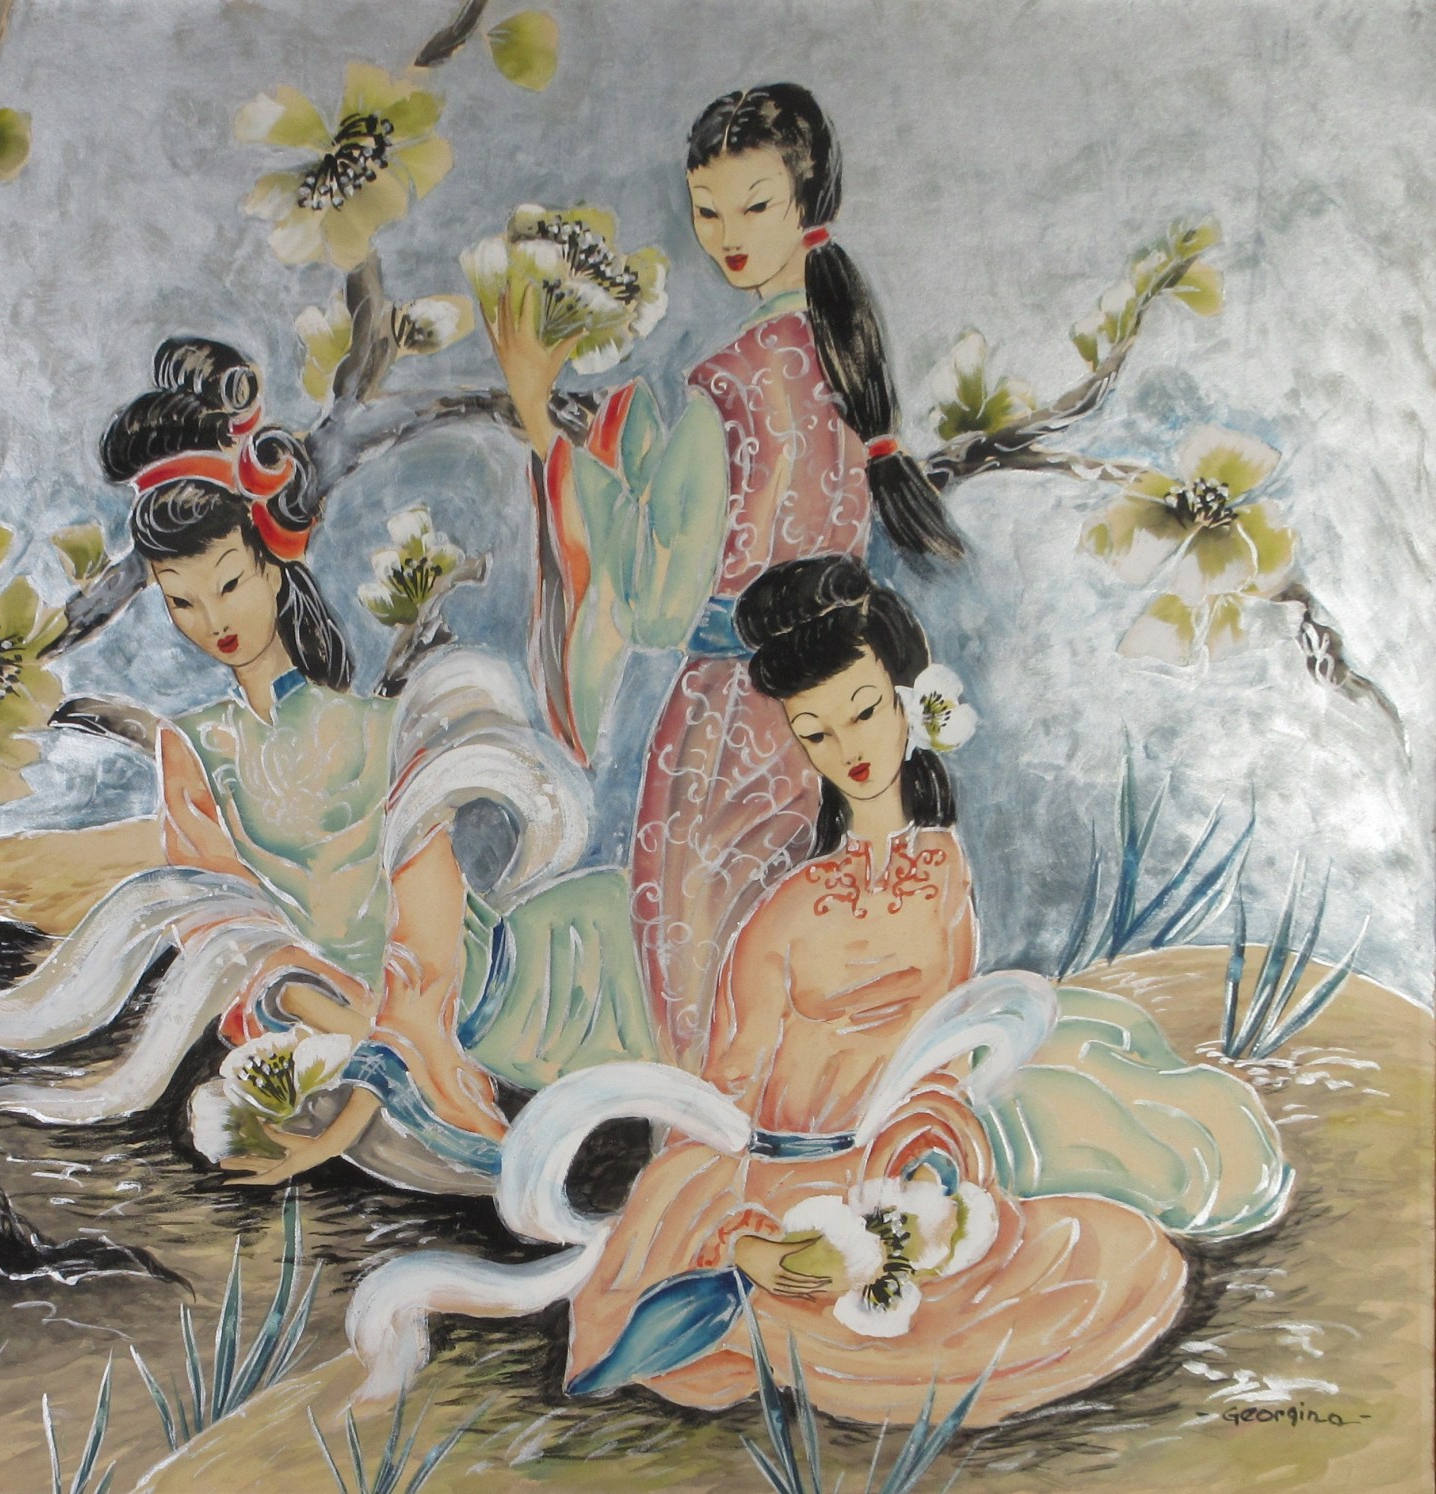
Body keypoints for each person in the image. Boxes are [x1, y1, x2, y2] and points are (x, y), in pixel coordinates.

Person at [349, 556, 1287, 1425]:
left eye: (865, 712)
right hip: (776, 1190)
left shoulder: (943, 871)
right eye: (816, 732)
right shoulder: (787, 912)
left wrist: (931, 1167)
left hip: (891, 1181)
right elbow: (723, 1111)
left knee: (1113, 1259)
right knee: (848, 1318)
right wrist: (748, 1240)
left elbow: (932, 1067)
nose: (849, 748)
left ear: (908, 702)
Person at [0, 337, 658, 1193]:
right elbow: (237, 944)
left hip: (549, 987)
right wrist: (332, 1034)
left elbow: (429, 966)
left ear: (272, 568)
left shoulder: (386, 733)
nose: (213, 619)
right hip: (369, 1031)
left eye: (228, 582)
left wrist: (347, 1108)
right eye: (181, 599)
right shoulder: (193, 753)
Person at [486, 82, 966, 1075]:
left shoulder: (729, 384)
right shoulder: (847, 364)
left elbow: (656, 602)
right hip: (836, 715)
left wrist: (543, 419)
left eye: (754, 205)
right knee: (812, 978)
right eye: (708, 211)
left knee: (714, 984)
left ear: (806, 203)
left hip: (732, 723)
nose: (728, 235)